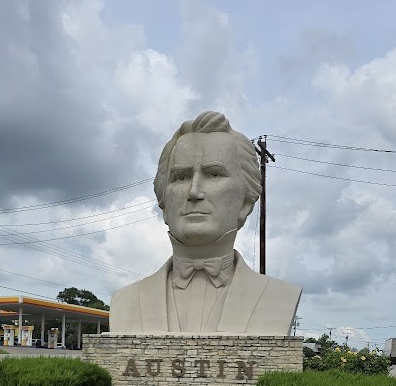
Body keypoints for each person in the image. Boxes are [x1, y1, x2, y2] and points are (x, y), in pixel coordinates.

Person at [109, 111, 301, 334]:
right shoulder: (125, 301)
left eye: (214, 174)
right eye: (181, 177)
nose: (194, 192)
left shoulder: (279, 299)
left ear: (246, 201)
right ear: (163, 202)